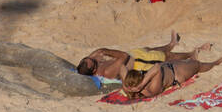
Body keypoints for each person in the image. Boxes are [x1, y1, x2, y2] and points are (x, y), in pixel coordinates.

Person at [77, 32, 212, 81]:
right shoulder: (106, 71)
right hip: (139, 63)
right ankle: (192, 53)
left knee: (150, 49)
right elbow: (123, 56)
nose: (94, 58)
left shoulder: (89, 64)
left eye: (89, 58)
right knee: (167, 57)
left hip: (135, 55)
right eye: (93, 62)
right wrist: (105, 51)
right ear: (93, 70)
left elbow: (95, 54)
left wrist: (98, 52)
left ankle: (171, 43)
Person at [120, 50, 222, 101]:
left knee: (173, 58)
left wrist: (126, 84)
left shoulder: (128, 87)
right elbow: (157, 67)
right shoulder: (151, 90)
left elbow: (122, 67)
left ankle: (192, 55)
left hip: (167, 66)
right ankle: (217, 62)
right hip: (177, 73)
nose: (142, 75)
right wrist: (142, 83)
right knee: (198, 66)